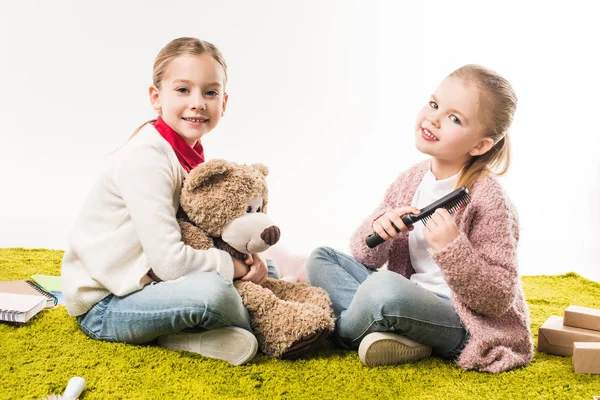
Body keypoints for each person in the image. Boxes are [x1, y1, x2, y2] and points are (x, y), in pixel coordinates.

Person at [61, 37, 279, 366]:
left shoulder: (191, 154)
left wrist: (250, 260)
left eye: (210, 92)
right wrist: (234, 268)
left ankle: (203, 336)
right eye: (182, 90)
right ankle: (256, 323)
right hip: (109, 303)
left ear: (224, 102)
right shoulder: (147, 158)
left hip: (154, 285)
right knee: (216, 295)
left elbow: (208, 230)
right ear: (155, 97)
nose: (198, 103)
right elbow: (170, 263)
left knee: (267, 266)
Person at [305, 64, 534, 373]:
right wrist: (380, 230)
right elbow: (364, 256)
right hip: (406, 296)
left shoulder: (489, 200)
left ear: (480, 145)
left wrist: (453, 250)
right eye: (434, 104)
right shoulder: (411, 180)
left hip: (460, 321)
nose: (433, 118)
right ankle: (395, 332)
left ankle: (335, 332)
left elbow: (498, 298)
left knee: (384, 289)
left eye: (454, 118)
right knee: (322, 258)